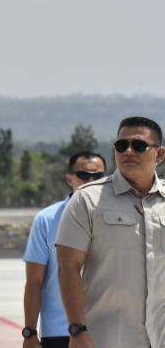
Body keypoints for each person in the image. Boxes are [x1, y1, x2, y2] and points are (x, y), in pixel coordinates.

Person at [57, 117, 165, 348]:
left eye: (138, 146)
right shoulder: (87, 200)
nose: (128, 151)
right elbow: (68, 268)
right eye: (121, 146)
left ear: (159, 155)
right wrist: (77, 330)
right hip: (108, 337)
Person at [21, 152, 106, 348]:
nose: (91, 181)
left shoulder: (115, 218)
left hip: (106, 330)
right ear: (70, 179)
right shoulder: (47, 220)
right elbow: (34, 281)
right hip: (60, 333)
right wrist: (29, 332)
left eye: (98, 176)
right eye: (84, 175)